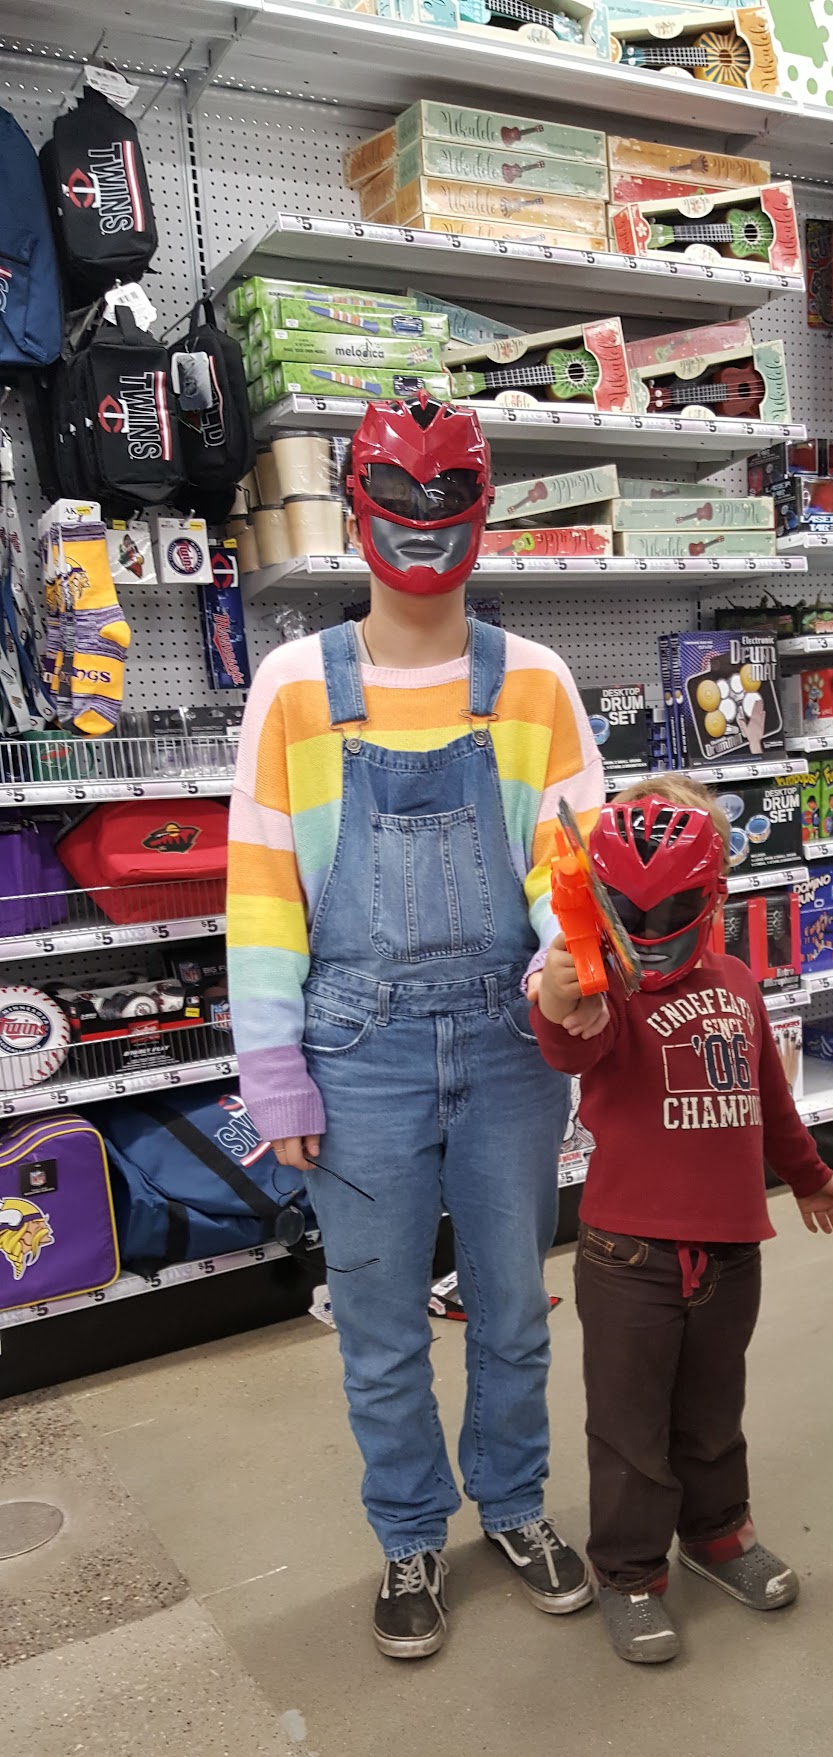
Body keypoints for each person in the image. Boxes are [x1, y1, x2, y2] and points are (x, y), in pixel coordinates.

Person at [228, 394, 605, 1661]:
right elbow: (262, 888)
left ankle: (513, 1503)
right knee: (382, 1325)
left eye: (452, 498)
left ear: (483, 511)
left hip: (510, 1044)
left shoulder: (535, 682)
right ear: (358, 509)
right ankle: (407, 1531)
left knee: (513, 1310)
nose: (426, 523)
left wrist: (569, 972)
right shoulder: (293, 688)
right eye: (401, 497)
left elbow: (571, 869)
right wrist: (273, 1070)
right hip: (354, 1055)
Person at [531, 775, 833, 1665]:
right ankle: (628, 1574)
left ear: (710, 894)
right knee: (629, 1429)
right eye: (629, 910)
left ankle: (716, 1536)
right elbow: (568, 1041)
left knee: (714, 1413)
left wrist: (810, 1178)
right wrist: (558, 996)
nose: (650, 927)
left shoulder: (739, 983)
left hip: (729, 1250)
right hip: (625, 1258)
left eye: (671, 906)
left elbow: (770, 1101)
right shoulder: (604, 989)